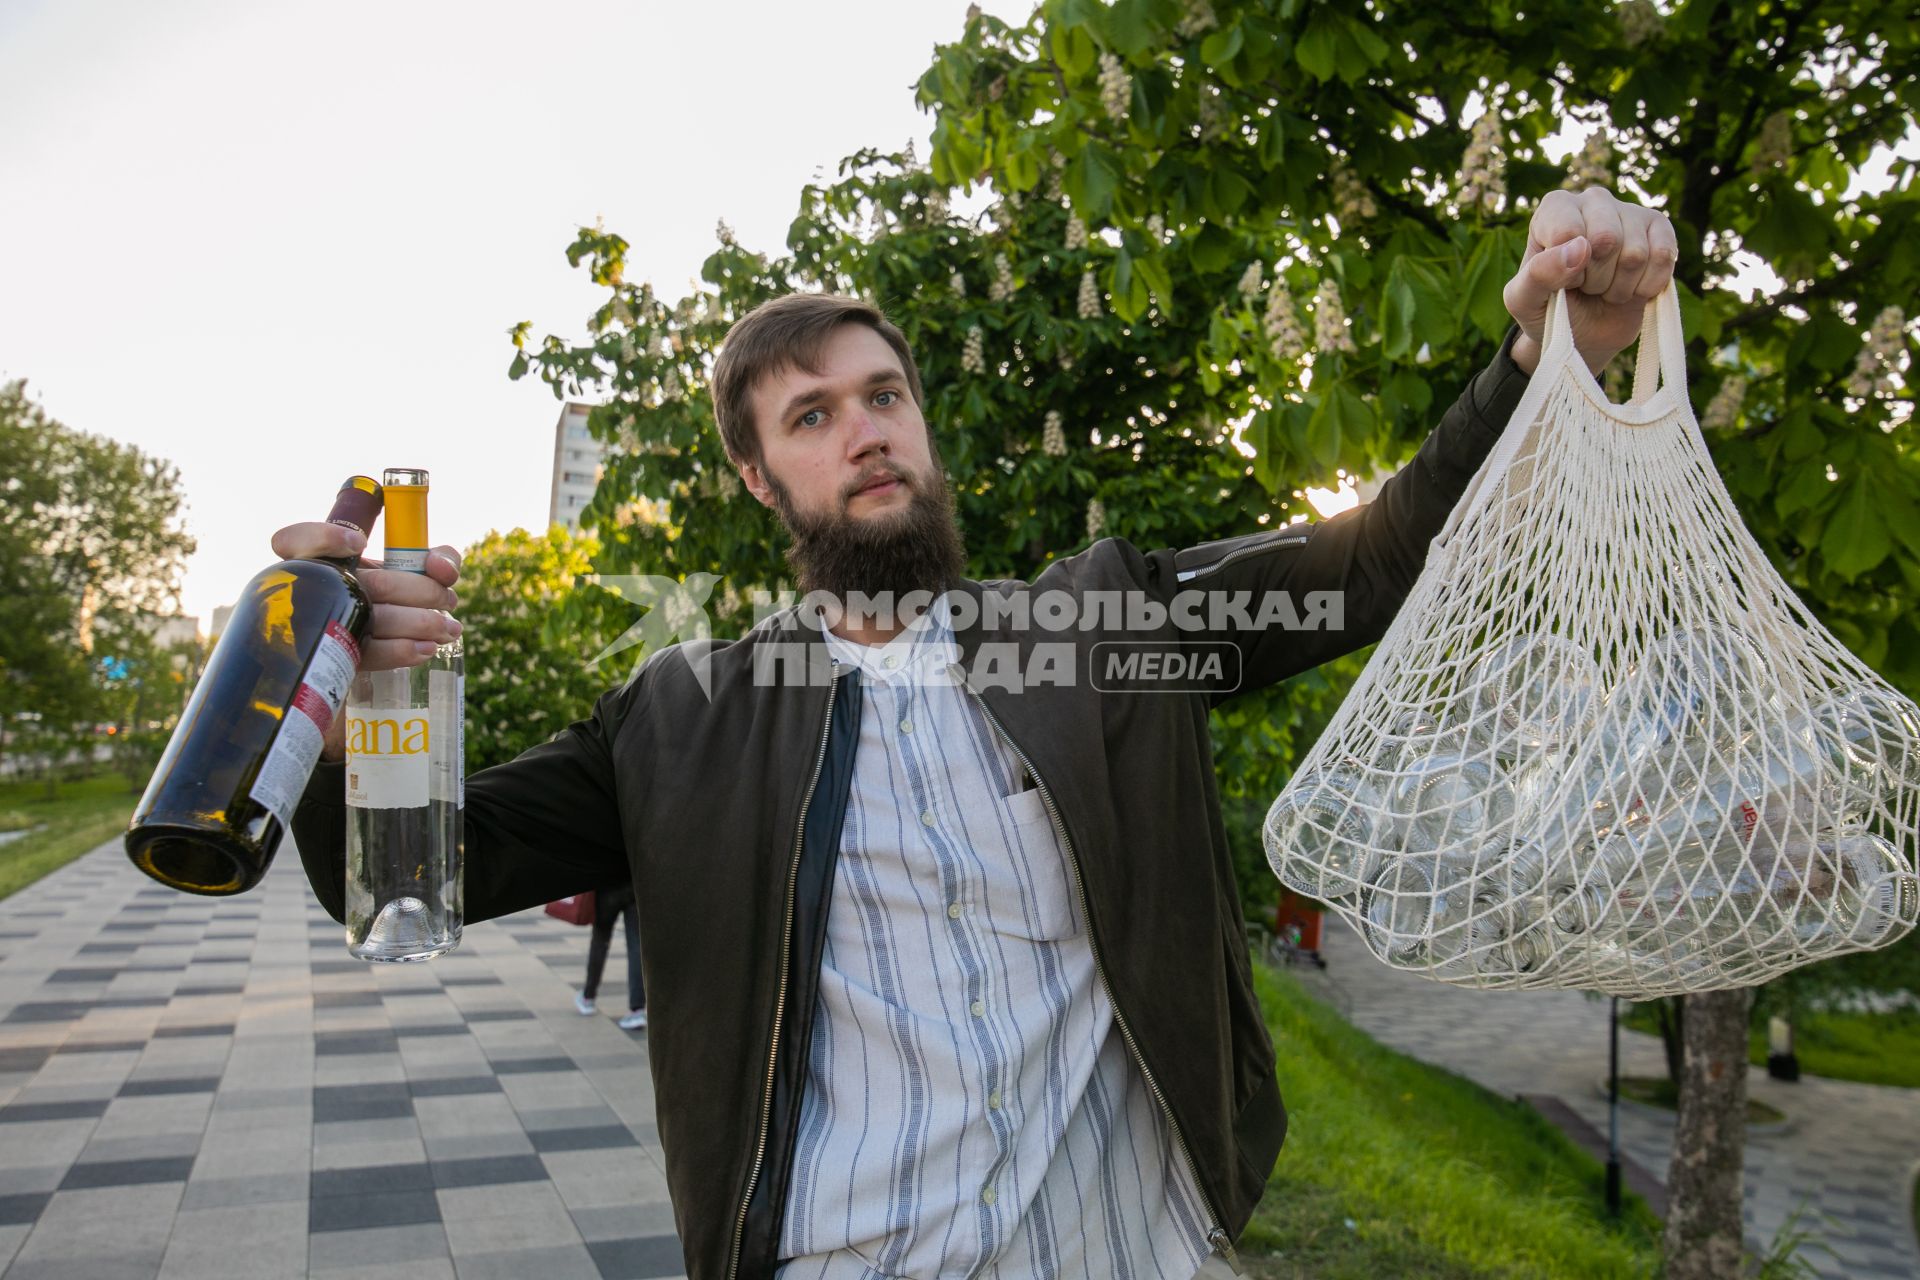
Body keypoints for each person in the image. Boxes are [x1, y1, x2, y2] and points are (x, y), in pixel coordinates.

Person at [278, 187, 1677, 1279]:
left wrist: (1538, 361)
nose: (865, 432)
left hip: (1134, 1250)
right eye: (813, 416)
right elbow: (400, 882)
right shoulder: (681, 714)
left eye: (884, 396)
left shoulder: (1106, 626)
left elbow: (1373, 559)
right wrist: (338, 714)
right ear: (764, 479)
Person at [574, 879, 647, 1030]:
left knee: (600, 942)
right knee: (636, 944)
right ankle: (637, 1010)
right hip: (634, 884)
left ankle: (588, 997)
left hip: (607, 887)